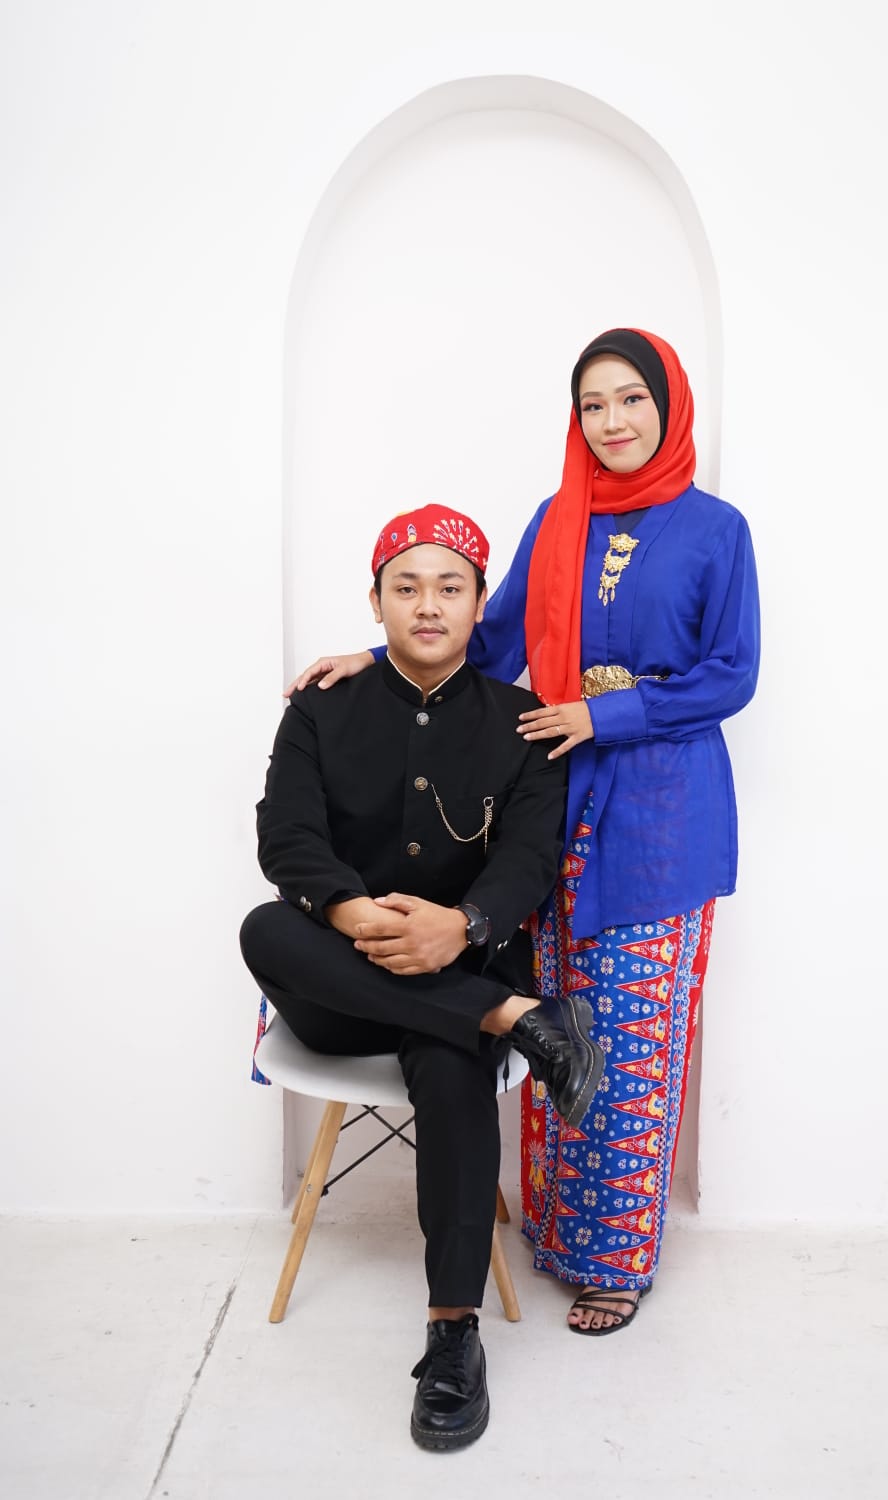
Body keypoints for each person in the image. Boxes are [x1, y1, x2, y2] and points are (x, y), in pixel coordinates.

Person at [287, 329, 760, 1337]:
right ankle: (554, 1232)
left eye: (631, 398)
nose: (613, 421)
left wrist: (606, 713)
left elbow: (732, 675)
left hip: (660, 815)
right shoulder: (559, 517)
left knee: (632, 1036)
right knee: (557, 1022)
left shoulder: (717, 531)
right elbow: (490, 637)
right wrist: (377, 658)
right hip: (553, 804)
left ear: (668, 406)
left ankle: (616, 1261)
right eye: (593, 404)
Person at [240, 504, 605, 1451]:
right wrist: (353, 915)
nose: (429, 605)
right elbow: (285, 836)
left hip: (456, 977)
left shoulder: (522, 725)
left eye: (450, 587)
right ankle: (514, 1015)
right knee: (267, 928)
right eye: (407, 588)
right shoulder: (321, 707)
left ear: (481, 604)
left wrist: (464, 928)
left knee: (449, 1066)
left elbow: (527, 861)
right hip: (341, 991)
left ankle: (453, 1337)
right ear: (377, 602)